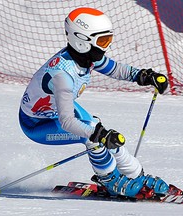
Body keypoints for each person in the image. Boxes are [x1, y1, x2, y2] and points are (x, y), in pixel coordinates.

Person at [19, 7, 169, 198]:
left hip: (54, 111)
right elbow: (67, 122)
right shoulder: (62, 76)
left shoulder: (86, 58)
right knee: (92, 134)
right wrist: (97, 134)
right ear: (82, 41)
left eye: (108, 40)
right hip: (36, 124)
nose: (106, 47)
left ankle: (135, 174)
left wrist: (142, 76)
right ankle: (111, 181)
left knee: (97, 128)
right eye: (102, 41)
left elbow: (115, 69)